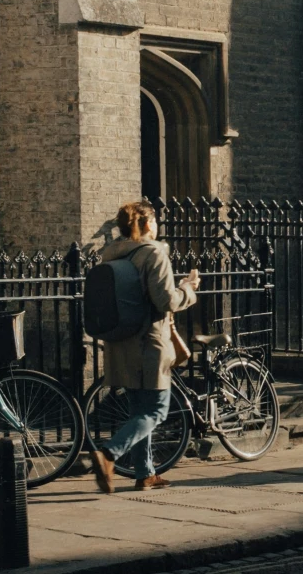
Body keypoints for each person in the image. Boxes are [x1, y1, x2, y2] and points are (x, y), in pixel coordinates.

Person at [86, 201, 199, 492]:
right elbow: (166, 302)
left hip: (122, 343)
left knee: (138, 411)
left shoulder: (110, 254)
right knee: (157, 412)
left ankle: (145, 473)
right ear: (148, 223)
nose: (158, 225)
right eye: (156, 220)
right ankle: (109, 453)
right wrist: (188, 287)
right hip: (150, 343)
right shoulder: (154, 253)